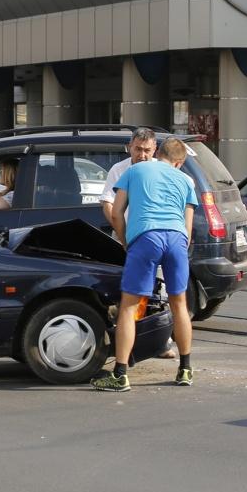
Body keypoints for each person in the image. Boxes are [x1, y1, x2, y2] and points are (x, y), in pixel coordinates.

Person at [91, 137, 198, 392]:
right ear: (179, 162)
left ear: (157, 152)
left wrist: (128, 241)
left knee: (128, 306)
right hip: (176, 240)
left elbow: (116, 212)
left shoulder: (135, 170)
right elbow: (188, 226)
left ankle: (120, 374)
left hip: (145, 237)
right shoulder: (185, 180)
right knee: (179, 304)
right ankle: (185, 369)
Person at [99, 127, 176, 359]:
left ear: (155, 150)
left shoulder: (160, 171)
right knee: (129, 294)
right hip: (127, 237)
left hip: (155, 239)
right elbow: (108, 205)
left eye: (147, 150)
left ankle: (161, 342)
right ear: (129, 147)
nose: (142, 155)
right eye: (138, 149)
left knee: (159, 292)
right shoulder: (119, 170)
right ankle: (127, 343)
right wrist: (123, 238)